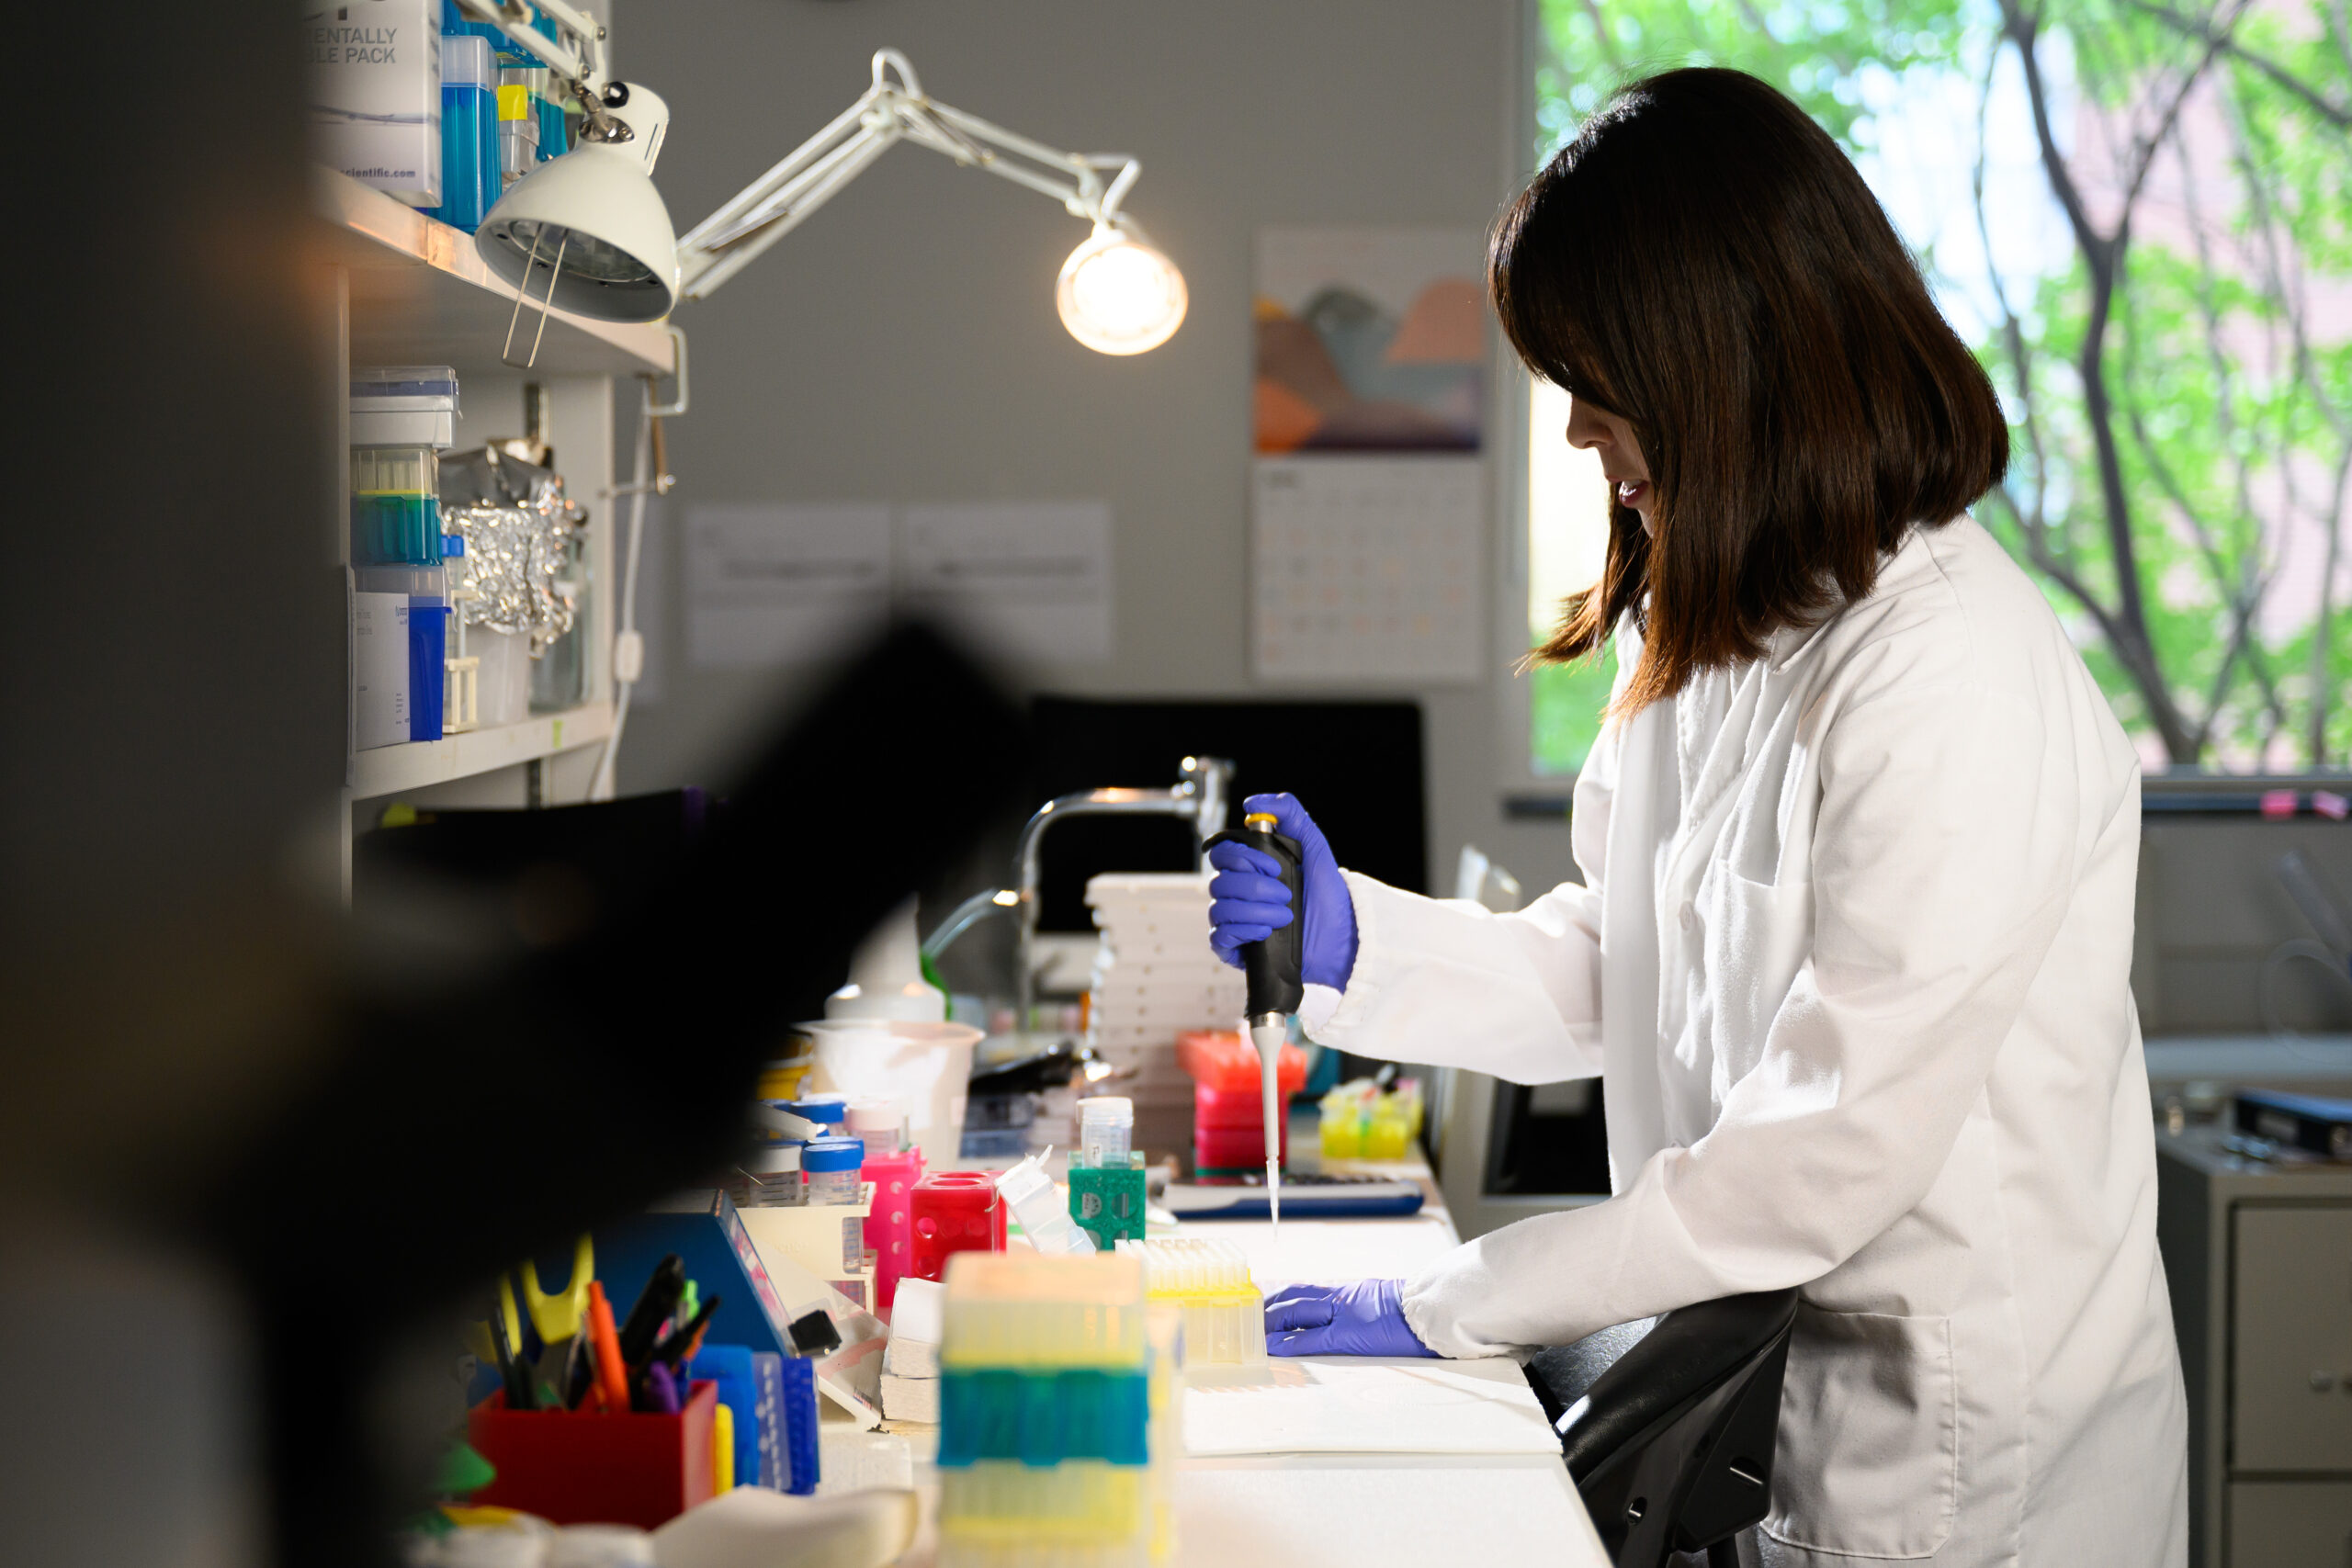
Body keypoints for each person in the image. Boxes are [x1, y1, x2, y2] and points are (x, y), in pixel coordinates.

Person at [1210, 69, 2188, 1567]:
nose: (1579, 435)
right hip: (1770, 1392)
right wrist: (1368, 943)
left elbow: (1812, 1163)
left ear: (1725, 363)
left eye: (1595, 386)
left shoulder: (1950, 672)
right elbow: (1631, 969)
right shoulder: (1715, 626)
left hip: (1960, 1454)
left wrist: (1447, 1301)